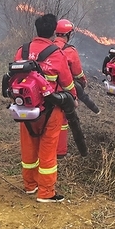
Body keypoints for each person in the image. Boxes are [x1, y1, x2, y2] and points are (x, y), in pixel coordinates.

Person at [16, 13, 77, 203]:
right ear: (53, 32)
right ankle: (46, 192)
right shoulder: (56, 54)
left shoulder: (22, 50)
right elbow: (67, 82)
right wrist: (73, 98)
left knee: (28, 146)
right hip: (51, 109)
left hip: (26, 107)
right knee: (48, 149)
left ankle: (30, 185)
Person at [54, 19, 99, 158]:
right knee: (63, 121)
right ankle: (60, 152)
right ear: (68, 34)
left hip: (46, 90)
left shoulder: (48, 47)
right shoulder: (70, 51)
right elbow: (78, 73)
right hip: (64, 92)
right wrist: (81, 85)